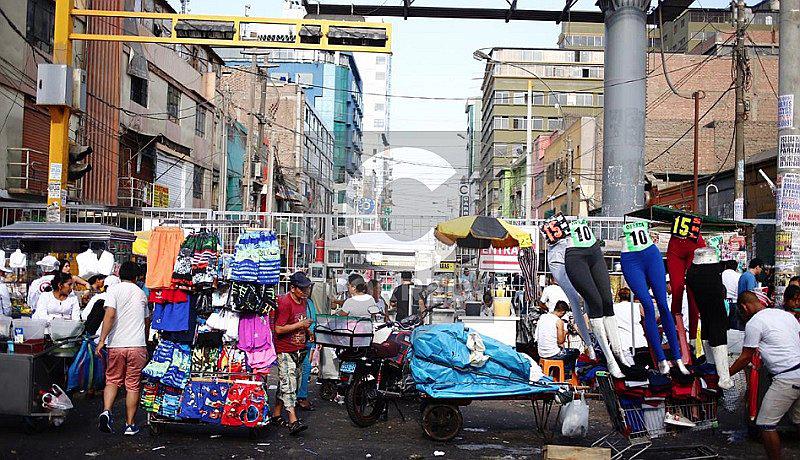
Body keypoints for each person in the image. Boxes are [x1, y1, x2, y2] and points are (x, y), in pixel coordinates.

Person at [729, 290, 800, 460]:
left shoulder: (754, 323)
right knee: (798, 419)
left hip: (786, 376)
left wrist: (725, 375)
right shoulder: (786, 316)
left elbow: (746, 357)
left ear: (744, 307)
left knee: (766, 424)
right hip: (796, 370)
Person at [96, 261, 150, 436]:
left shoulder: (114, 290)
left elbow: (110, 315)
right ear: (137, 277)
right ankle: (129, 425)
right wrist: (145, 341)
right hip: (137, 345)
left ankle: (106, 411)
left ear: (120, 275)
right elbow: (146, 322)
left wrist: (102, 340)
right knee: (133, 385)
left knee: (112, 380)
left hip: (117, 344)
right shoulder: (142, 294)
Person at [271, 271, 313, 435]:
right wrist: (301, 325)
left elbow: (299, 321)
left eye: (307, 288)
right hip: (285, 349)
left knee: (286, 383)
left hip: (299, 349)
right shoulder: (285, 303)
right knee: (289, 385)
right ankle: (293, 420)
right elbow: (279, 329)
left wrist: (307, 331)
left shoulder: (303, 301)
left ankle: (276, 414)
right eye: (302, 289)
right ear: (293, 288)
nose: (305, 291)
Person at [535, 301, 579, 373]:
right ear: (562, 312)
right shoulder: (559, 321)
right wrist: (565, 332)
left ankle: (556, 374)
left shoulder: (542, 317)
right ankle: (567, 375)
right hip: (552, 354)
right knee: (575, 352)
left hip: (541, 353)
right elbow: (560, 341)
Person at [296, 281, 319, 412]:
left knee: (305, 367)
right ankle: (299, 397)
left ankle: (301, 396)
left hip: (308, 341)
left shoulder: (309, 302)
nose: (307, 291)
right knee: (299, 369)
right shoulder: (296, 303)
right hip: (296, 341)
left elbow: (313, 321)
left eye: (309, 288)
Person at [612, 287, 648, 364]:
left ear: (619, 296)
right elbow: (647, 319)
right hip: (639, 340)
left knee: (629, 366)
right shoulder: (637, 306)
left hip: (623, 342)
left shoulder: (614, 307)